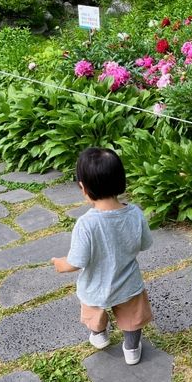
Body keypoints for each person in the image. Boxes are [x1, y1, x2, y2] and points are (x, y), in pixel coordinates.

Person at [51, 147, 153, 365]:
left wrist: (60, 264)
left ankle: (99, 336)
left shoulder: (86, 224)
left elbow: (76, 262)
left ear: (83, 188)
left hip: (95, 287)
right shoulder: (135, 213)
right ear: (121, 181)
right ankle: (132, 349)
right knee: (132, 318)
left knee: (93, 313)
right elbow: (144, 244)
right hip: (128, 283)